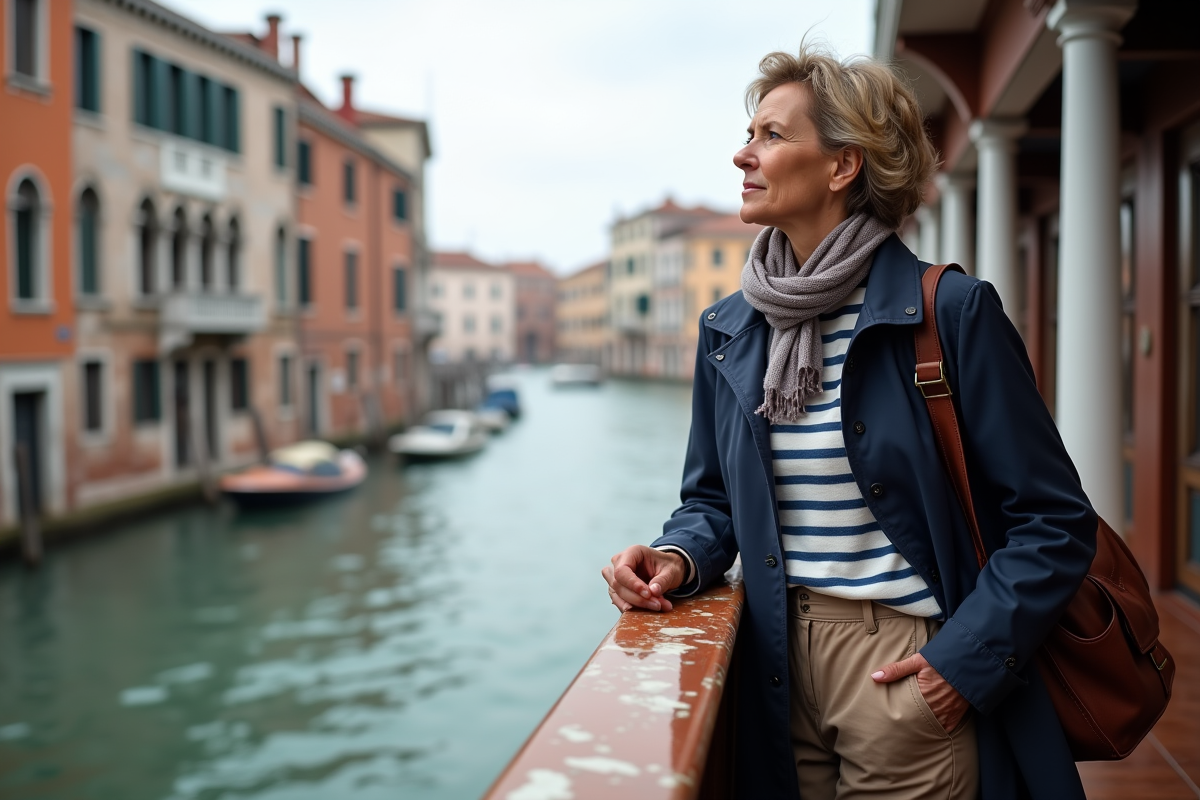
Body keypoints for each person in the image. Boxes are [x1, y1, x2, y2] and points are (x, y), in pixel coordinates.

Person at [601, 45, 1096, 800]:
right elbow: (712, 502)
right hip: (771, 655)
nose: (743, 153)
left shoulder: (950, 314)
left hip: (904, 660)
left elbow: (1054, 522)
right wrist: (676, 556)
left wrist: (960, 664)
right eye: (749, 132)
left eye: (770, 134)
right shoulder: (729, 329)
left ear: (843, 166)